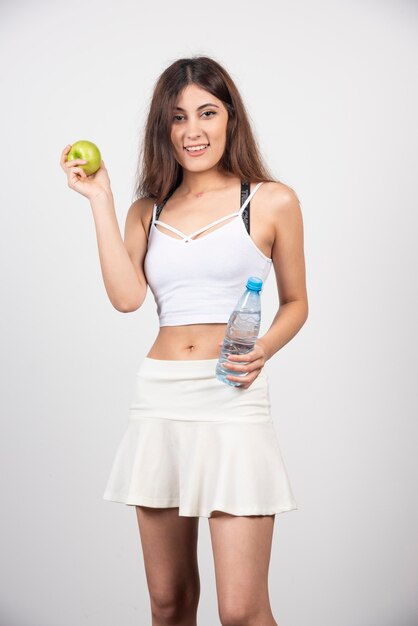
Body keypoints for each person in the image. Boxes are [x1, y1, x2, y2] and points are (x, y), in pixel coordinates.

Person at [60, 55, 308, 626]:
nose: (192, 130)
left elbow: (297, 302)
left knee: (242, 611)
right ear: (163, 129)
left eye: (206, 112)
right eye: (177, 117)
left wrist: (263, 349)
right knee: (169, 603)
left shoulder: (271, 200)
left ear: (230, 119)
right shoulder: (146, 210)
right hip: (161, 399)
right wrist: (100, 199)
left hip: (232, 398)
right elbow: (126, 298)